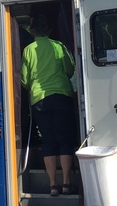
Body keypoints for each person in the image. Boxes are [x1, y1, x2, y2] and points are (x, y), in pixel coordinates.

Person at [20, 14, 76, 196]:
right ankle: (66, 182)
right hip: (61, 96)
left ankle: (53, 185)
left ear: (32, 31)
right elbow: (70, 70)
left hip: (40, 100)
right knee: (64, 140)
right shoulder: (58, 46)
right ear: (48, 30)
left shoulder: (28, 50)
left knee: (48, 140)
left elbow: (25, 80)